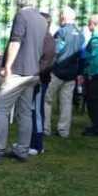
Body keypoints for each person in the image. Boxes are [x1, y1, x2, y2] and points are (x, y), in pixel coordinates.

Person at [0, 0, 47, 164]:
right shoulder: (42, 19)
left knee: (1, 109)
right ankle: (22, 150)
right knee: (25, 112)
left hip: (18, 71)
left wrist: (8, 66)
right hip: (33, 72)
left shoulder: (21, 15)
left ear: (18, 4)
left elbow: (16, 42)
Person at [44, 6, 84, 138]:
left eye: (61, 15)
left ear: (63, 17)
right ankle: (63, 131)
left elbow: (55, 51)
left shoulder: (61, 32)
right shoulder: (81, 35)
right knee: (66, 103)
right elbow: (82, 56)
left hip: (57, 72)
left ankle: (45, 128)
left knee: (47, 100)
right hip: (72, 74)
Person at [28, 13, 57, 155]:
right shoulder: (42, 38)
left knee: (37, 113)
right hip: (36, 80)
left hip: (39, 81)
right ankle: (30, 143)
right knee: (32, 111)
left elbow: (44, 65)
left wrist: (34, 77)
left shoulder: (47, 40)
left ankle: (37, 145)